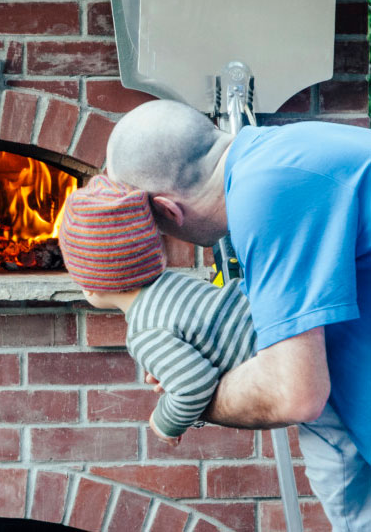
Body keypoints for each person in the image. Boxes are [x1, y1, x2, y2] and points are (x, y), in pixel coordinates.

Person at [105, 99, 371, 529]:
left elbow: (295, 393)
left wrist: (192, 397)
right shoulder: (283, 154)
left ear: (168, 210)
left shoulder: (270, 194)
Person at [59, 174, 256, 445]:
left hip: (275, 358)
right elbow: (210, 346)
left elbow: (194, 386)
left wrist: (165, 423)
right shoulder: (176, 283)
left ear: (92, 284)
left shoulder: (144, 331)